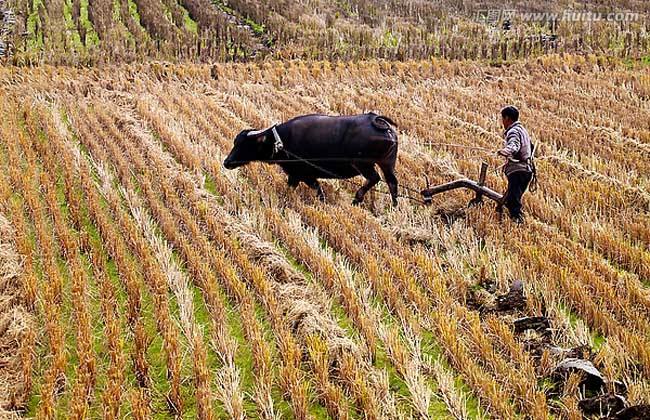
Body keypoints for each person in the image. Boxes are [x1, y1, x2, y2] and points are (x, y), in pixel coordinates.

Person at [497, 106, 534, 223]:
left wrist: (504, 151)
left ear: (507, 118)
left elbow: (514, 146)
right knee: (513, 198)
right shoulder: (523, 130)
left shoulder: (513, 131)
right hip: (527, 170)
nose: (502, 122)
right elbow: (531, 146)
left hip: (517, 171)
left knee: (513, 201)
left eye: (502, 119)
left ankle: (518, 223)